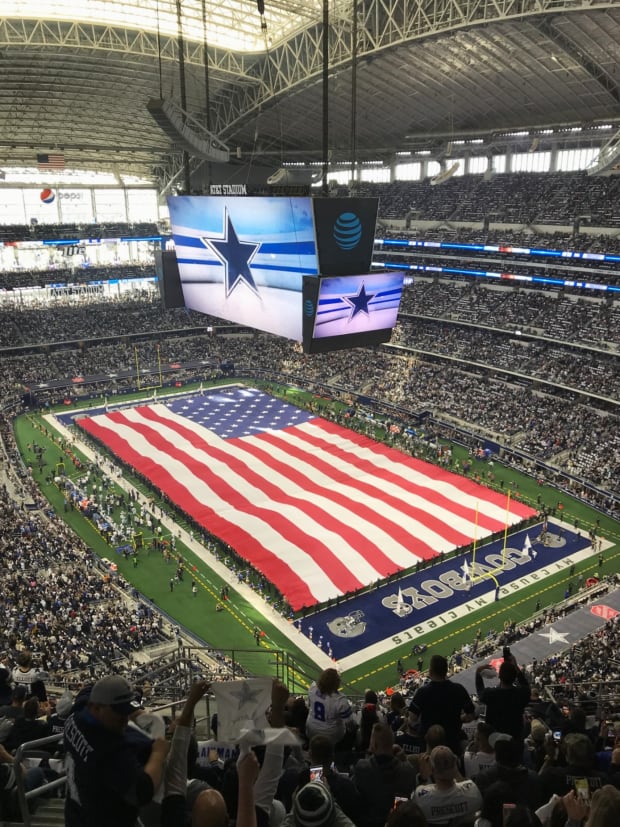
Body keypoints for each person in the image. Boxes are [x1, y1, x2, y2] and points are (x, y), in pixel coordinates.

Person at [63, 674, 169, 827]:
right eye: (119, 713)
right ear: (97, 708)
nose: (125, 720)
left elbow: (88, 692)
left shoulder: (76, 715)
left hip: (75, 815)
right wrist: (158, 753)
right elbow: (142, 792)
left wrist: (132, 711)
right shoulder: (108, 748)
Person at [409, 654, 475, 755]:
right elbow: (470, 715)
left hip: (429, 745)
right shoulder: (458, 689)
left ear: (431, 671)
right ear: (445, 670)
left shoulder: (422, 692)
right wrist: (459, 718)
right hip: (452, 741)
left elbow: (412, 718)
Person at [352, 722, 416, 827]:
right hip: (397, 823)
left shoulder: (362, 767)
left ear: (374, 745)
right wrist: (404, 760)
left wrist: (369, 752)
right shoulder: (407, 770)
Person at [413, 745, 482, 825]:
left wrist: (423, 778)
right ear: (456, 764)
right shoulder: (473, 792)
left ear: (432, 769)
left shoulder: (421, 799)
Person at [475, 654, 530, 742]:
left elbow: (480, 690)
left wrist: (478, 672)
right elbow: (526, 686)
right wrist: (515, 666)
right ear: (514, 676)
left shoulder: (491, 694)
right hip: (515, 737)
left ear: (499, 677)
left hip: (495, 739)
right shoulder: (521, 693)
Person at [306, 668, 353, 746]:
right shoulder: (340, 700)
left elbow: (309, 705)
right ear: (336, 683)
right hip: (331, 735)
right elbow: (350, 724)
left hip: (311, 729)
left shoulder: (313, 688)